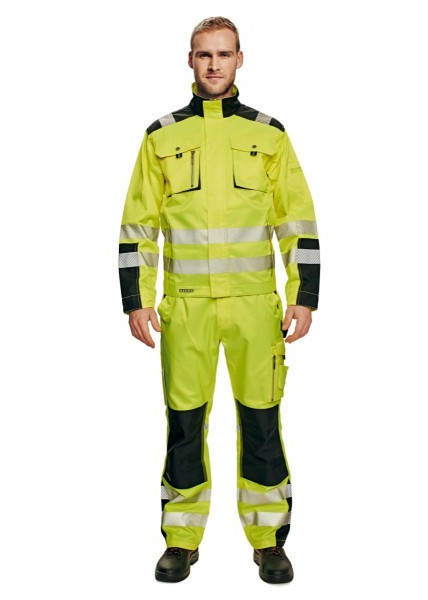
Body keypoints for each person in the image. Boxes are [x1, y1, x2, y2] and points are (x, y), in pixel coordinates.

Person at [118, 16, 320, 584]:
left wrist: (304, 296)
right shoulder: (161, 137)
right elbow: (138, 225)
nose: (213, 64)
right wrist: (137, 299)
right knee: (184, 424)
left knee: (261, 422)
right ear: (190, 60)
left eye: (223, 54)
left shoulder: (269, 135)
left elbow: (297, 220)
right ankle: (180, 540)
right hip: (186, 309)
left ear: (239, 59)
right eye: (204, 54)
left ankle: (269, 539)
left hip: (256, 307)